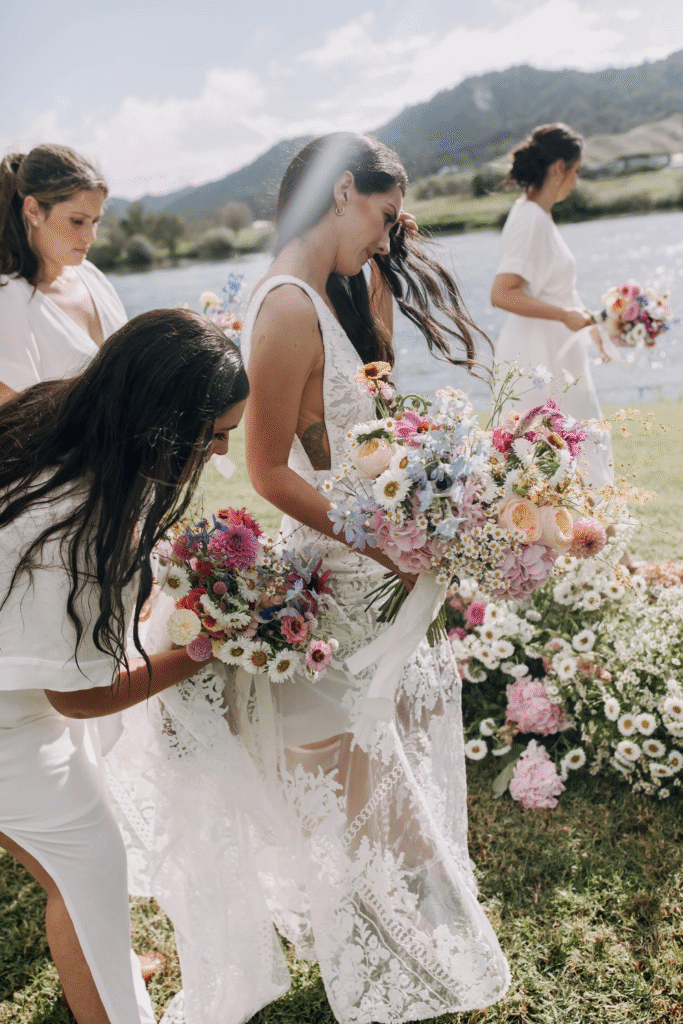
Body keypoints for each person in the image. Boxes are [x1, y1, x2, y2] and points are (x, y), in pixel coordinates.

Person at [147, 131, 509, 1024]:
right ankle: (412, 943)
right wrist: (384, 543)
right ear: (343, 191)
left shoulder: (335, 293)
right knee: (352, 762)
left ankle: (417, 934)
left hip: (372, 559)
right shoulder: (281, 305)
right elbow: (269, 471)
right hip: (343, 567)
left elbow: (350, 435)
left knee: (383, 751)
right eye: (385, 214)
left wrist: (425, 501)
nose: (389, 234)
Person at [0, 307, 249, 1024]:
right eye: (213, 436)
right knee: (90, 867)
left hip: (17, 699)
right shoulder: (78, 524)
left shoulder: (54, 421)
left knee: (78, 877)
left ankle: (95, 943)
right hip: (12, 726)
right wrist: (200, 651)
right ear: (163, 424)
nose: (220, 453)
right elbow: (80, 697)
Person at [490, 122, 613, 489]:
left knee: (579, 452)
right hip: (538, 357)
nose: (576, 181)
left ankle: (596, 527)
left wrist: (591, 327)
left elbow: (555, 290)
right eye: (575, 171)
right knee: (553, 459)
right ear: (559, 167)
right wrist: (563, 316)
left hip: (557, 353)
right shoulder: (530, 219)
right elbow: (502, 293)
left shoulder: (538, 216)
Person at [0, 144, 127, 403]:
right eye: (77, 221)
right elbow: (11, 416)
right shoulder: (8, 298)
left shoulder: (92, 276)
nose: (90, 237)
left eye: (95, 221)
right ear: (33, 210)